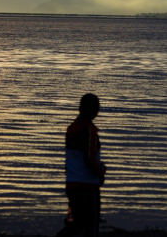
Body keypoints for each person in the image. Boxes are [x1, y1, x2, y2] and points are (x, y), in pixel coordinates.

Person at [57, 94, 107, 237]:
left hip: (72, 184)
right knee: (91, 225)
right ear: (94, 111)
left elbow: (71, 159)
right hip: (87, 185)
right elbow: (89, 159)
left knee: (77, 224)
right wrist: (102, 171)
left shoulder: (71, 129)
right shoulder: (89, 130)